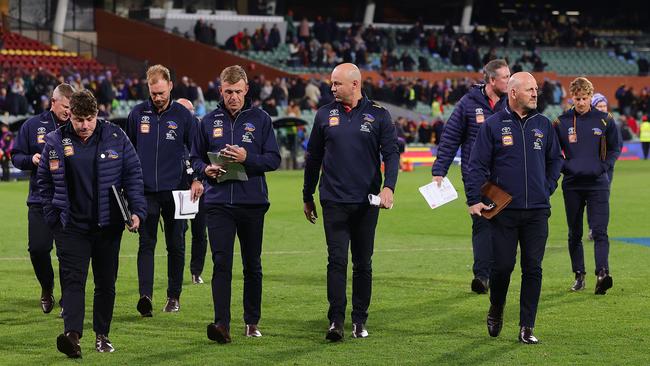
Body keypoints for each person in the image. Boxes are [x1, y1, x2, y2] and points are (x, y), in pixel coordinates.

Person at [36, 90, 146, 357]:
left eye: (89, 119)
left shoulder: (116, 137)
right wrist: (53, 217)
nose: (84, 125)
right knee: (73, 280)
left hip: (107, 226)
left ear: (97, 115)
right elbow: (44, 183)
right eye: (78, 119)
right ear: (69, 116)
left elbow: (133, 175)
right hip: (71, 226)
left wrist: (137, 211)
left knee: (106, 282)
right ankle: (72, 336)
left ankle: (102, 335)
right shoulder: (55, 140)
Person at [302, 63, 399, 341]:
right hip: (333, 200)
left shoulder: (379, 115)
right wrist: (307, 195)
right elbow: (313, 159)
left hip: (366, 203)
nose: (332, 88)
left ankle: (359, 320)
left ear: (355, 85)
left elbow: (391, 154)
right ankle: (336, 321)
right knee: (336, 261)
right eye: (331, 84)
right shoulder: (323, 115)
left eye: (337, 84)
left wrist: (389, 187)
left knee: (363, 263)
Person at [466, 72, 562, 344]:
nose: (535, 94)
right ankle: (496, 307)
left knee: (533, 268)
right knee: (503, 267)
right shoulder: (493, 125)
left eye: (536, 89)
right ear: (513, 93)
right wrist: (474, 199)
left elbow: (556, 160)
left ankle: (527, 326)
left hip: (537, 211)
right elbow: (476, 166)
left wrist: (548, 186)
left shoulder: (543, 124)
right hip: (504, 211)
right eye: (529, 89)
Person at [191, 65, 280, 344]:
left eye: (238, 92)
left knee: (252, 264)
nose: (233, 97)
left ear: (246, 91)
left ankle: (252, 322)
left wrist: (246, 158)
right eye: (228, 92)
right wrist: (205, 170)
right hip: (218, 203)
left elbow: (273, 160)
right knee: (221, 264)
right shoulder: (207, 121)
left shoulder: (261, 119)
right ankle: (222, 324)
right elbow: (193, 159)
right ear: (220, 91)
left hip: (252, 202)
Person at [126, 65, 203, 316]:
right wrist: (129, 189)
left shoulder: (184, 116)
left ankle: (173, 296)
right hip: (145, 191)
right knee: (146, 244)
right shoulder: (137, 114)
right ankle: (145, 296)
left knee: (176, 245)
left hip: (177, 190)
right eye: (153, 92)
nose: (157, 97)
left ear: (170, 85)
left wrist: (195, 179)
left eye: (161, 92)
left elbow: (195, 152)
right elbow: (129, 154)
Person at [431, 59, 510, 294]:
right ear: (492, 80)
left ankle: (498, 272)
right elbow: (450, 137)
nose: (509, 80)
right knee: (481, 222)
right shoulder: (468, 103)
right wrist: (439, 171)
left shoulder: (512, 103)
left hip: (507, 175)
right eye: (505, 77)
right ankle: (482, 276)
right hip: (476, 175)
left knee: (505, 225)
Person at [553, 77, 621, 295]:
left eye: (585, 98)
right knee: (575, 233)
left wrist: (604, 167)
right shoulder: (561, 122)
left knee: (600, 231)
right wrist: (567, 167)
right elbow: (553, 153)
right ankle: (579, 275)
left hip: (598, 184)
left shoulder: (605, 120)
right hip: (572, 184)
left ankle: (602, 274)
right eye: (577, 98)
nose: (581, 102)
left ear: (591, 97)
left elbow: (615, 148)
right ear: (571, 97)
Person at [11, 83, 74, 314]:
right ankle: (47, 288)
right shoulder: (33, 125)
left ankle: (69, 299)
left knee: (68, 253)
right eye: (65, 106)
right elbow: (16, 156)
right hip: (40, 200)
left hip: (70, 202)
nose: (69, 111)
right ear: (53, 102)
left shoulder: (78, 127)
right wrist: (32, 159)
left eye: (72, 107)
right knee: (38, 249)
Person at [177, 97, 208, 284]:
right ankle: (178, 271)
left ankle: (196, 272)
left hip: (201, 187)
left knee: (199, 232)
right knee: (179, 232)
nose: (189, 114)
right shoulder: (171, 131)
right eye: (184, 110)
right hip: (179, 187)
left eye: (191, 110)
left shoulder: (201, 130)